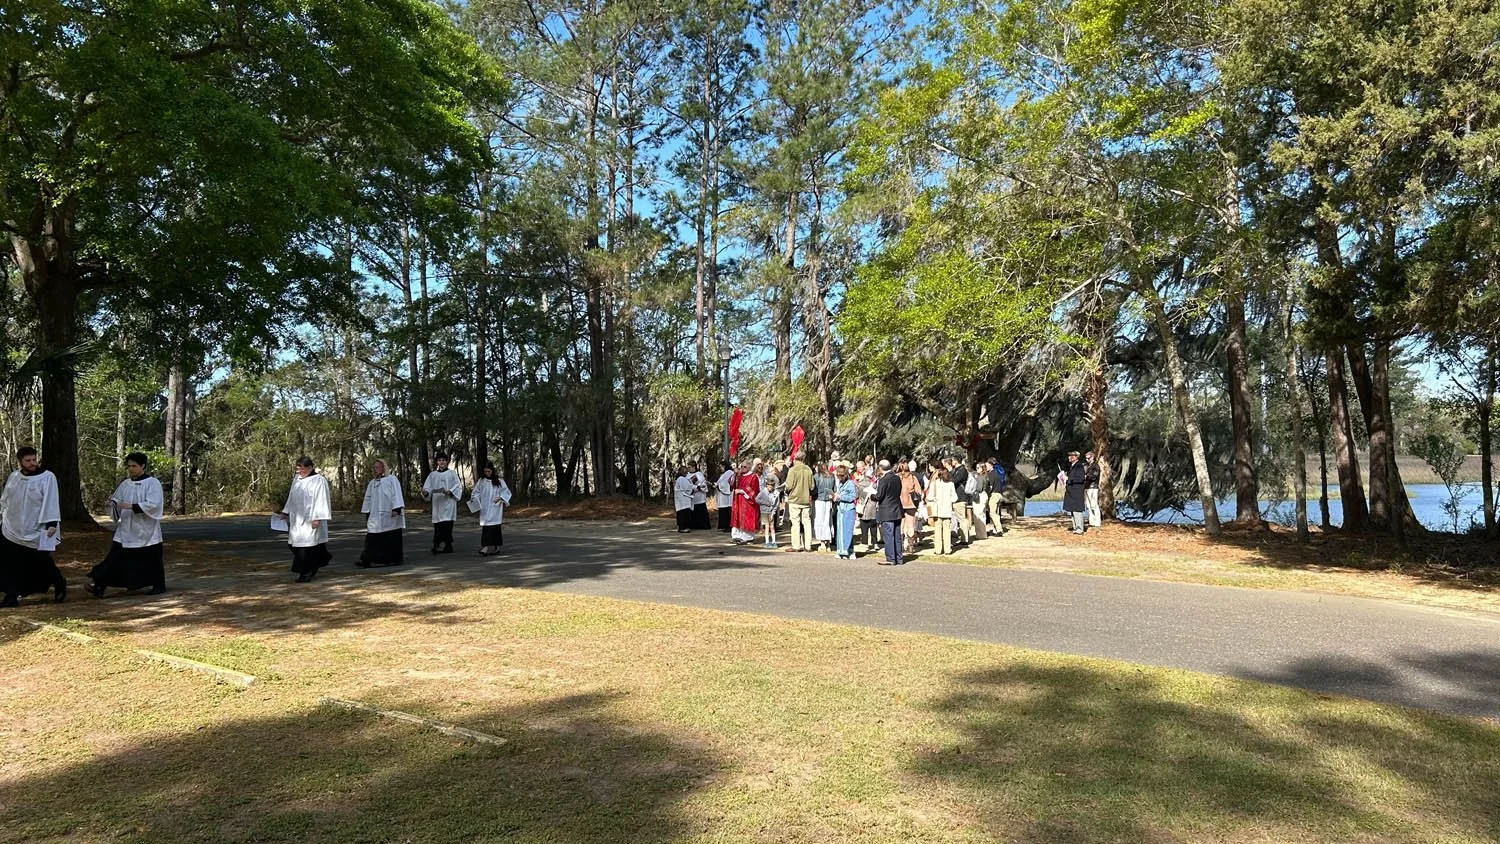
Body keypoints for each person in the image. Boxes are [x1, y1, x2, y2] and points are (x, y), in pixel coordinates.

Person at [87, 452, 166, 596]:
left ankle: (158, 585)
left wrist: (131, 506)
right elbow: (117, 499)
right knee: (114, 558)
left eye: (134, 466)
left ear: (143, 466)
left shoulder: (152, 483)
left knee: (152, 559)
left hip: (146, 529)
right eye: (129, 466)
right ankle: (99, 585)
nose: (131, 469)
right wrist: (112, 504)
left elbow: (154, 504)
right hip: (126, 529)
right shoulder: (125, 484)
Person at [1, 447, 66, 606]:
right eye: (28, 460)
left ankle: (59, 583)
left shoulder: (47, 477)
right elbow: (6, 499)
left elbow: (51, 500)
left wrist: (51, 524)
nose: (32, 463)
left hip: (37, 528)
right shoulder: (14, 477)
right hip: (13, 528)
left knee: (41, 561)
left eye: (34, 459)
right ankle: (11, 595)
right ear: (20, 461)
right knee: (11, 561)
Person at [279, 456, 333, 582]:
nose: (300, 471)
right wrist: (286, 511)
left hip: (311, 518)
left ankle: (306, 572)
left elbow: (322, 499)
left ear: (310, 468)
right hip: (297, 519)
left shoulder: (319, 480)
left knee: (307, 546)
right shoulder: (297, 479)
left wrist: (317, 518)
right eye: (298, 469)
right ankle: (322, 558)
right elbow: (291, 496)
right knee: (294, 545)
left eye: (302, 469)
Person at [358, 458, 405, 567]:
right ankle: (369, 559)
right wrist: (367, 511)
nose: (376, 469)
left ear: (383, 468)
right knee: (372, 535)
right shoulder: (372, 483)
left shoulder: (392, 479)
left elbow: (397, 494)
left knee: (390, 536)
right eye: (374, 467)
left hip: (389, 513)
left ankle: (392, 560)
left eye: (378, 467)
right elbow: (368, 498)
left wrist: (396, 509)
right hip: (375, 515)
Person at [421, 453, 463, 555]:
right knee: (438, 525)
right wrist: (426, 492)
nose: (442, 462)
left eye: (443, 460)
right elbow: (427, 487)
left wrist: (450, 492)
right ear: (437, 462)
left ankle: (448, 545)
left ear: (447, 461)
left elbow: (458, 486)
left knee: (447, 525)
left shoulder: (452, 473)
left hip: (448, 503)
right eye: (439, 460)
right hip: (437, 504)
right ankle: (436, 545)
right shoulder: (433, 475)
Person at [871, 460, 905, 565]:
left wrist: (872, 495)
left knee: (889, 535)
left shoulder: (883, 480)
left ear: (881, 468)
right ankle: (899, 557)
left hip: (887, 510)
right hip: (897, 508)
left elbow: (879, 496)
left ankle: (890, 558)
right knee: (897, 535)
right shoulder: (897, 478)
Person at [473, 462, 512, 555]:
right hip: (485, 507)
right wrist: (475, 500)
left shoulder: (499, 481)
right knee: (486, 528)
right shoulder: (481, 481)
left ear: (492, 471)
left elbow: (506, 492)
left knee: (495, 528)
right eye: (485, 472)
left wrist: (501, 497)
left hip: (495, 508)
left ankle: (497, 547)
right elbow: (476, 492)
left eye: (489, 471)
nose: (487, 473)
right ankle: (485, 548)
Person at [783, 453, 815, 552]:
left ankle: (796, 545)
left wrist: (786, 491)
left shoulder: (792, 470)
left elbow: (788, 485)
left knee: (795, 523)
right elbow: (812, 486)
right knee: (807, 522)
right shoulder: (808, 469)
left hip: (794, 499)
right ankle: (808, 545)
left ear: (795, 459)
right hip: (805, 500)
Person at [730, 461, 760, 545]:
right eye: (741, 467)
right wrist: (735, 474)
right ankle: (736, 536)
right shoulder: (739, 476)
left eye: (744, 467)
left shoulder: (753, 477)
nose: (742, 468)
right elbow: (732, 484)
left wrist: (742, 491)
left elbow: (754, 490)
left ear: (749, 467)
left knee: (746, 519)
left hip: (747, 502)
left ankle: (747, 538)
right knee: (737, 517)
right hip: (738, 501)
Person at [834, 463, 858, 559]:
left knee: (847, 531)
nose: (839, 477)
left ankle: (846, 551)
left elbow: (853, 496)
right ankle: (842, 550)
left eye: (840, 476)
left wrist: (841, 497)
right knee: (840, 531)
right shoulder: (841, 483)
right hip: (841, 509)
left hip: (848, 509)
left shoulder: (850, 483)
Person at [950, 458, 974, 547]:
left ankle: (965, 539)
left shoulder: (962, 471)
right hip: (958, 497)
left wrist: (948, 478)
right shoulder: (957, 470)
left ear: (956, 460)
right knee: (959, 518)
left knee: (962, 518)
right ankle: (963, 537)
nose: (951, 462)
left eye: (952, 460)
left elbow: (954, 481)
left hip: (961, 497)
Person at [898, 461, 921, 554]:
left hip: (899, 504)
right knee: (910, 525)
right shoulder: (913, 478)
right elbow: (919, 491)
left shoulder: (897, 478)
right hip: (911, 504)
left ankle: (900, 546)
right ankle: (911, 546)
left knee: (900, 525)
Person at [812, 462, 836, 552]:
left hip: (819, 500)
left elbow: (814, 489)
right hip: (829, 500)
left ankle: (822, 543)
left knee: (820, 521)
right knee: (828, 521)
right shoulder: (832, 476)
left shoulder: (817, 476)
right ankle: (828, 543)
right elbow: (834, 489)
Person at [1063, 451, 1088, 534]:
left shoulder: (1079, 466)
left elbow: (1081, 479)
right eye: (1069, 456)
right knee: (1072, 510)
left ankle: (1080, 528)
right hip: (1071, 491)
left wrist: (1068, 479)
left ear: (1076, 457)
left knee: (1077, 510)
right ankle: (1075, 527)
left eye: (1072, 456)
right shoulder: (1072, 466)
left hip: (1077, 492)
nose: (1069, 457)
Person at [756, 474, 782, 548]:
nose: (770, 488)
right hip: (764, 511)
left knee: (772, 527)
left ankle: (774, 541)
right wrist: (764, 503)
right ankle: (767, 542)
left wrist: (773, 512)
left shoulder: (775, 493)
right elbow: (757, 499)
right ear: (766, 486)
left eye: (771, 486)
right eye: (769, 486)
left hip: (771, 512)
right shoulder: (763, 492)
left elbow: (776, 504)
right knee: (767, 526)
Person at [714, 461, 736, 533]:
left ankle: (728, 526)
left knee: (727, 510)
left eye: (721, 466)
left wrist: (718, 485)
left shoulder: (729, 473)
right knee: (724, 510)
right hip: (723, 496)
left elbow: (726, 484)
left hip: (727, 496)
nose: (720, 468)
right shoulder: (725, 473)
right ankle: (724, 526)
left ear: (724, 466)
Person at [673, 466, 695, 533]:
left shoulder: (682, 478)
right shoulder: (681, 479)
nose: (686, 472)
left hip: (683, 500)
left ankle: (683, 527)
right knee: (683, 514)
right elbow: (686, 488)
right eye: (684, 471)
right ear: (681, 472)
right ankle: (682, 528)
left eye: (686, 471)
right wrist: (693, 489)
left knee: (684, 514)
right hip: (682, 500)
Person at [1084, 451, 1103, 528]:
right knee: (1088, 505)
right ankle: (1091, 521)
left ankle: (1097, 522)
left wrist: (1086, 476)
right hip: (1086, 487)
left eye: (1088, 458)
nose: (1087, 460)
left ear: (1092, 457)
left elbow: (1094, 476)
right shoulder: (1087, 466)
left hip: (1093, 487)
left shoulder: (1095, 466)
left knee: (1094, 505)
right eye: (1086, 458)